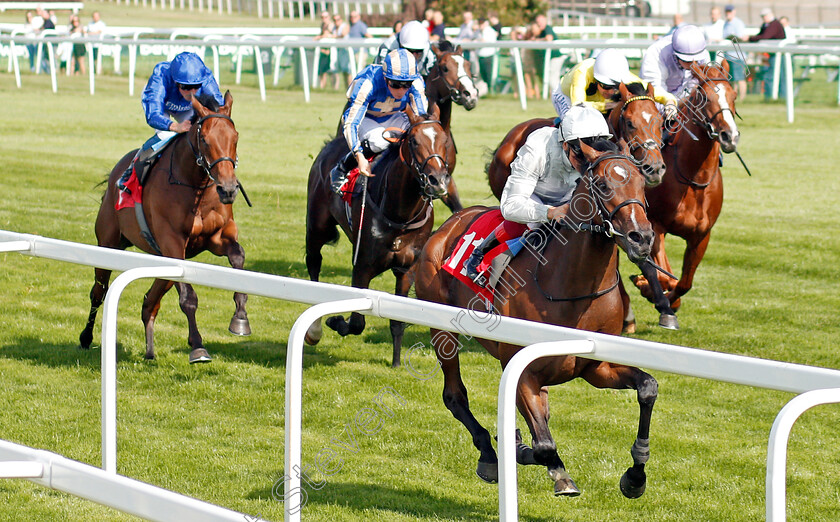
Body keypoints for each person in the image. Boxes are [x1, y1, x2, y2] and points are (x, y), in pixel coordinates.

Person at [463, 104, 613, 283]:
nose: (587, 164)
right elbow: (510, 206)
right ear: (565, 145)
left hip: (570, 196)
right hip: (534, 196)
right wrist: (549, 212)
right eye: (580, 156)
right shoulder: (538, 146)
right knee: (535, 225)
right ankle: (480, 253)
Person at [117, 52, 224, 193]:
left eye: (196, 86)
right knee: (164, 135)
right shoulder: (160, 76)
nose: (192, 91)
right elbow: (153, 115)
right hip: (162, 105)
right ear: (175, 82)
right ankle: (130, 174)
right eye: (185, 87)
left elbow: (219, 109)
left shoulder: (205, 76)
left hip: (189, 107)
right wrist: (174, 126)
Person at [330, 49, 428, 194]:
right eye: (395, 84)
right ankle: (343, 167)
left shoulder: (417, 83)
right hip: (366, 118)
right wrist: (359, 157)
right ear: (385, 77)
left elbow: (420, 119)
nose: (401, 90)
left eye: (406, 84)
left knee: (418, 136)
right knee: (379, 141)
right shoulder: (368, 83)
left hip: (393, 116)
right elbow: (351, 123)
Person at [552, 48, 677, 122]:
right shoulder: (581, 72)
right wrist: (608, 105)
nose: (610, 92)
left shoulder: (624, 76)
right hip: (565, 96)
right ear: (596, 79)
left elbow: (658, 93)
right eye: (606, 86)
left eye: (615, 88)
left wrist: (670, 102)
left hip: (593, 103)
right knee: (573, 120)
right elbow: (577, 107)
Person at [640, 24, 710, 119]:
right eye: (688, 61)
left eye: (697, 61)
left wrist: (681, 103)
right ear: (676, 55)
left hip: (686, 103)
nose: (693, 65)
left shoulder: (703, 54)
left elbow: (696, 86)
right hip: (657, 104)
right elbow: (654, 91)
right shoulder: (655, 54)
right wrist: (669, 105)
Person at [748, 8, 786, 99]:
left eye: (764, 16)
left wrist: (750, 38)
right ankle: (771, 97)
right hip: (771, 54)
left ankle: (777, 97)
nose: (763, 18)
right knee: (770, 75)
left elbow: (765, 37)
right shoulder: (766, 25)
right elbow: (761, 35)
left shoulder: (774, 25)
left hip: (778, 55)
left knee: (775, 77)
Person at [722, 4, 748, 100]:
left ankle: (742, 98)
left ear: (734, 12)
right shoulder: (725, 24)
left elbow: (741, 38)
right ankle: (734, 97)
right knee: (732, 79)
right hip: (728, 55)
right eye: (727, 12)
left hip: (737, 56)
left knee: (740, 78)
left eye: (730, 11)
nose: (728, 14)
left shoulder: (738, 23)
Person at [475, 18, 498, 93]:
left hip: (488, 56)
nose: (480, 25)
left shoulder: (489, 31)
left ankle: (491, 91)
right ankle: (488, 92)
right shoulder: (478, 31)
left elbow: (483, 41)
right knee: (483, 75)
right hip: (481, 56)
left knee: (489, 76)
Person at [314, 11, 336, 89]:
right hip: (323, 51)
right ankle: (322, 87)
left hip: (330, 51)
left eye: (325, 17)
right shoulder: (323, 25)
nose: (324, 19)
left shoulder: (331, 25)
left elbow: (326, 34)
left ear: (329, 17)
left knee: (332, 70)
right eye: (322, 17)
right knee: (322, 71)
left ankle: (334, 87)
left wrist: (318, 38)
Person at [332, 13, 352, 89]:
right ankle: (345, 88)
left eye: (338, 19)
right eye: (334, 20)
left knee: (348, 71)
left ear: (341, 20)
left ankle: (350, 88)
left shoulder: (345, 26)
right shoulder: (334, 27)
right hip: (338, 51)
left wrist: (333, 36)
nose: (336, 21)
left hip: (345, 50)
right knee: (341, 71)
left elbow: (343, 34)